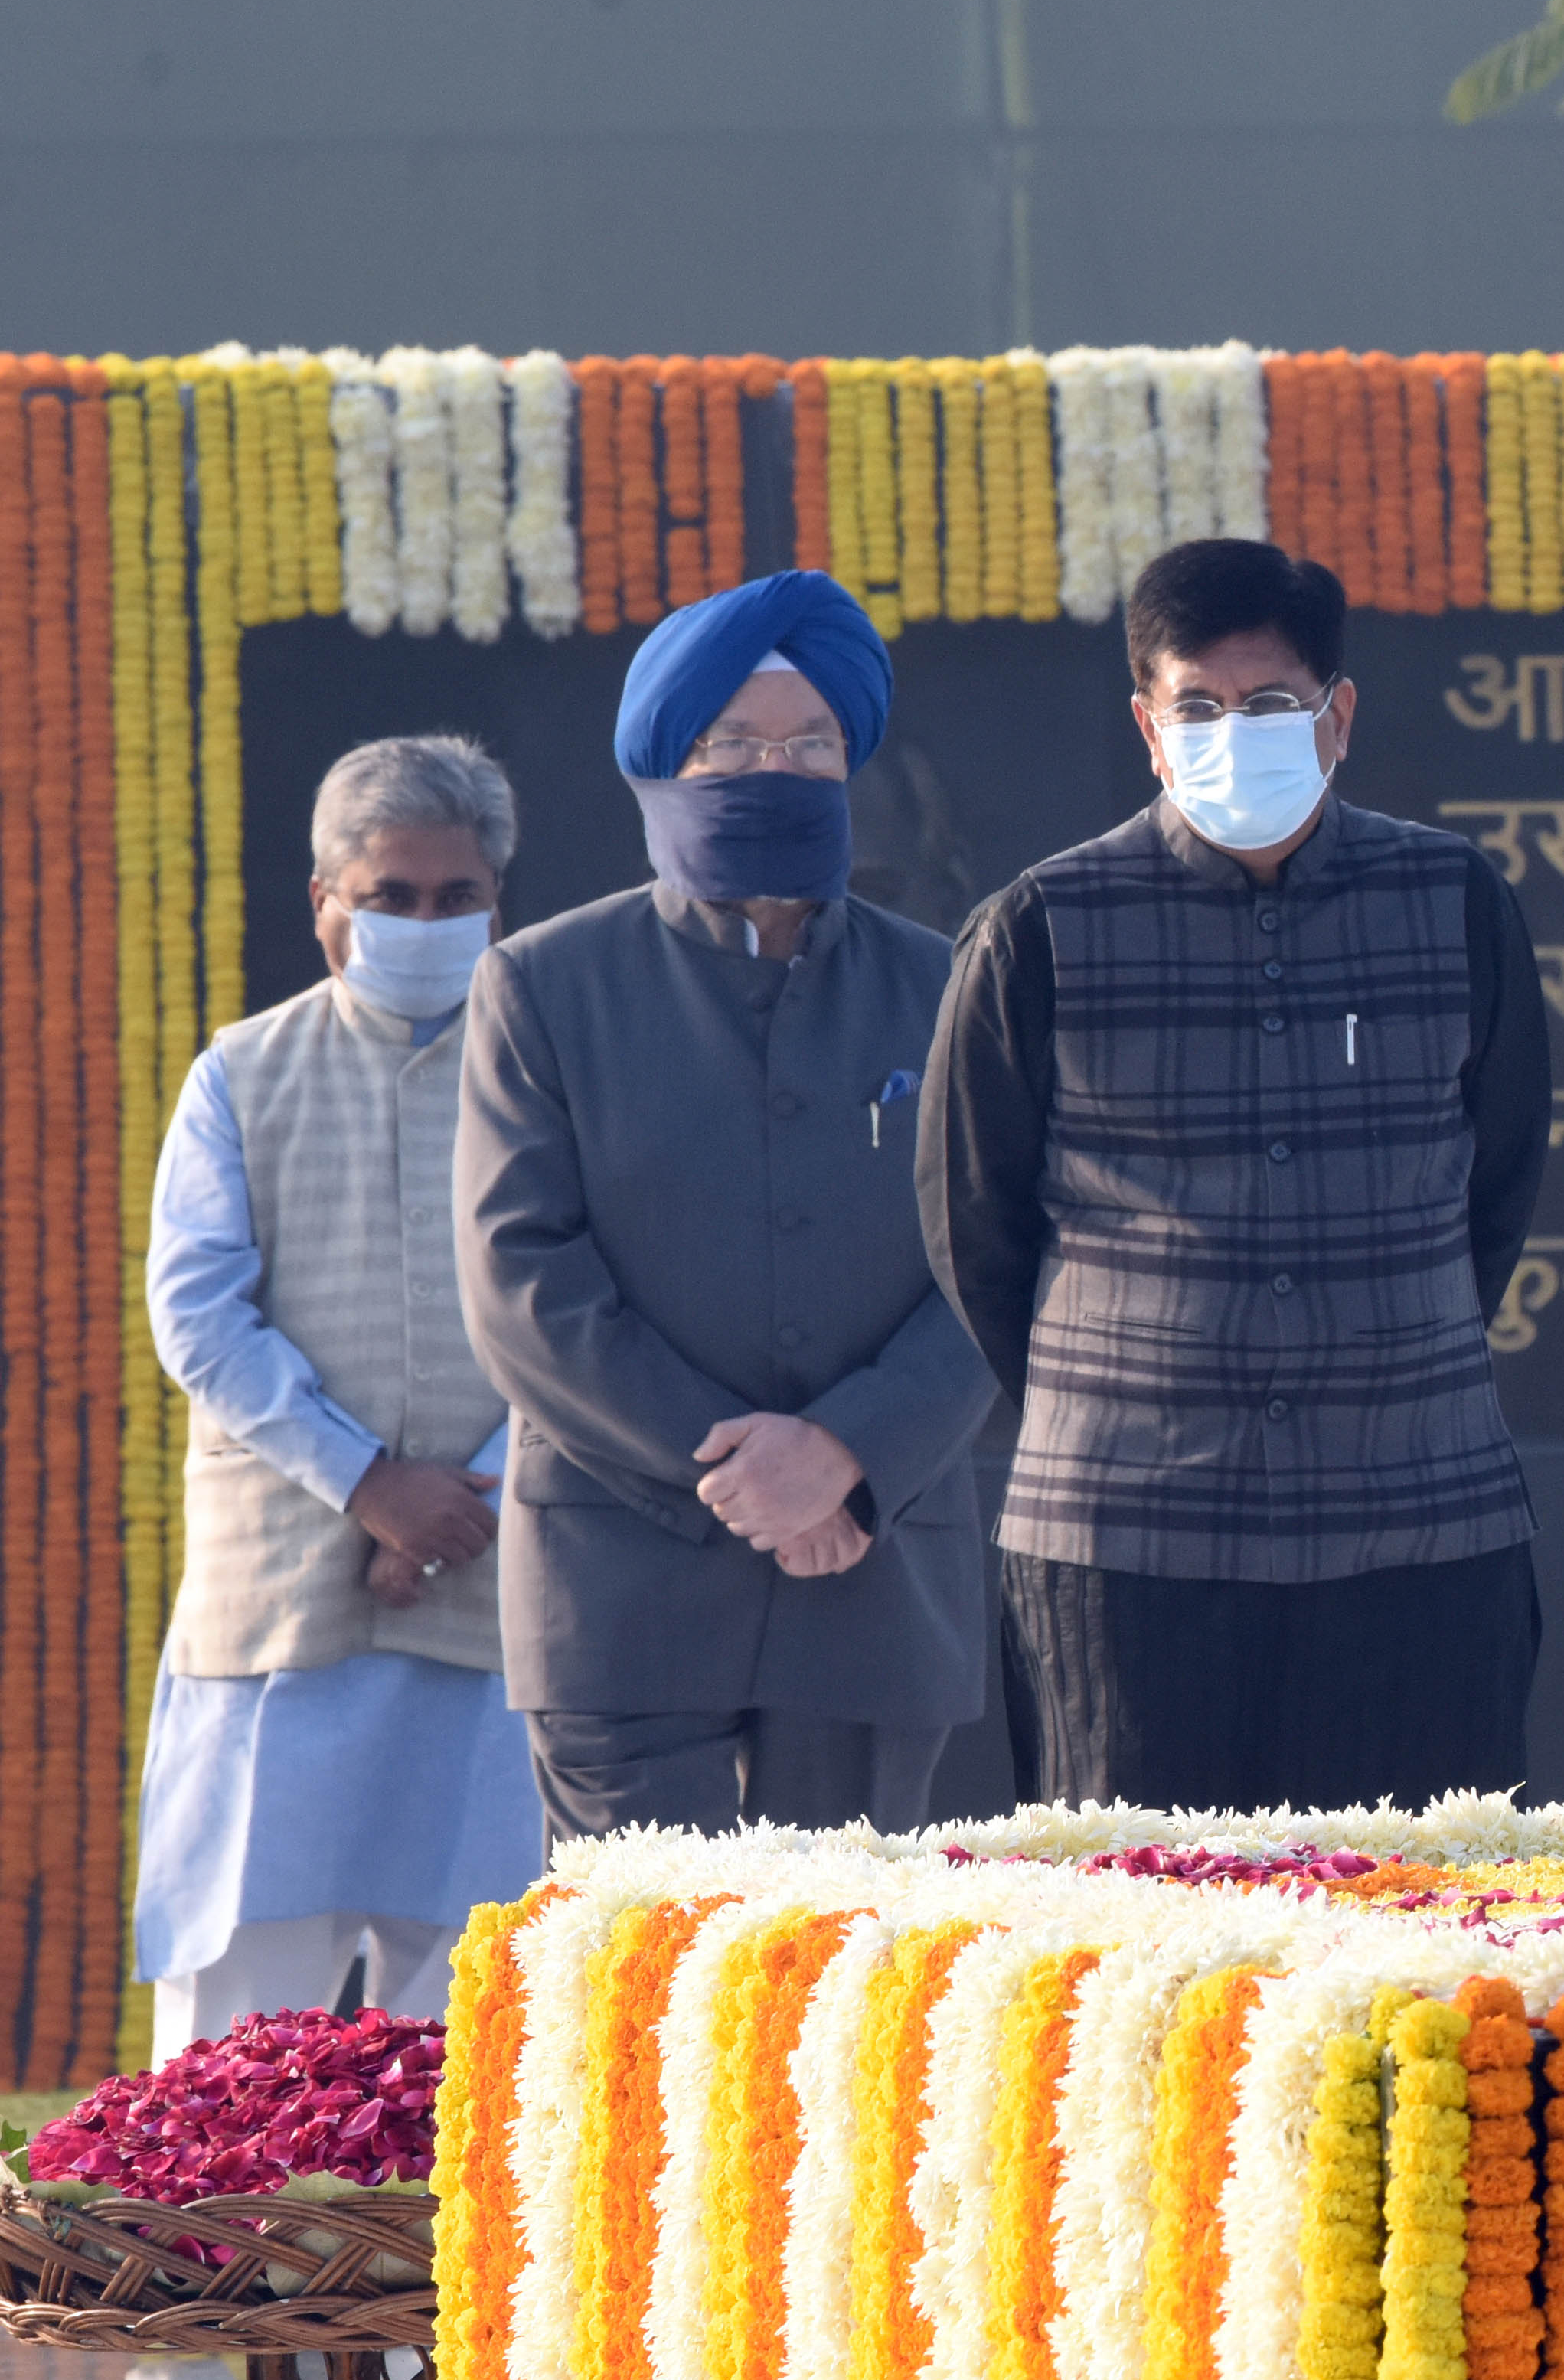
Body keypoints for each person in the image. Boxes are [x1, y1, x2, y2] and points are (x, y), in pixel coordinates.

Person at [920, 538, 1552, 1809]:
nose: (1232, 734)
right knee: (1145, 1953)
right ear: (1148, 729)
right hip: (1125, 1543)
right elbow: (972, 1226)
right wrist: (1139, 1374)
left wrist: (1373, 1348)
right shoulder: (1040, 927)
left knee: (1417, 1957)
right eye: (1197, 708)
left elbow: (1498, 1178)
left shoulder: (1453, 899)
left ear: (1338, 716)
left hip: (1415, 1526)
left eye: (1267, 705)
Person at [456, 570, 994, 1833]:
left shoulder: (951, 983)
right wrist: (742, 1472)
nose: (779, 768)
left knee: (852, 1994)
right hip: (622, 1576)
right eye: (737, 743)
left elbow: (997, 1257)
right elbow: (521, 1275)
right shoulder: (546, 984)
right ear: (663, 763)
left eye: (812, 744)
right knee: (637, 1986)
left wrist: (846, 1455)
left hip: (874, 1564)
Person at [132, 736, 542, 2050]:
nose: (424, 922)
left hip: (495, 1585)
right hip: (282, 1606)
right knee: (236, 2035)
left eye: (453, 897)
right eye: (389, 897)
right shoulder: (240, 1074)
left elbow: (596, 1312)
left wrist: (464, 1500)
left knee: (477, 2029)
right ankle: (214, 2268)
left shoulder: (555, 1071)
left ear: (499, 906)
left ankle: (429, 2269)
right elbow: (199, 1313)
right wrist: (370, 1488)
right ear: (323, 904)